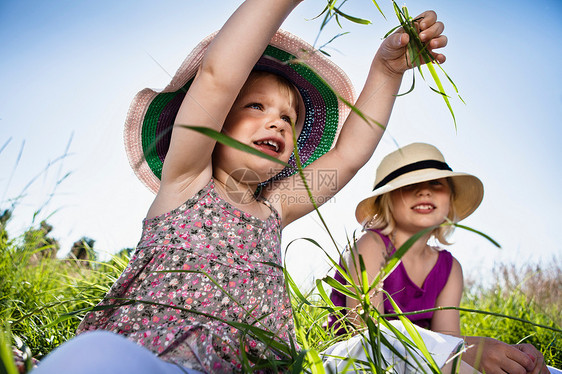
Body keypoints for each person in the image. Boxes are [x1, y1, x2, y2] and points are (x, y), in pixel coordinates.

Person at [31, 0, 452, 373]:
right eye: (255, 105)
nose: (276, 121)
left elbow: (348, 154)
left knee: (398, 349)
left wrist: (387, 70)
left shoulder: (277, 208)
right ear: (214, 123)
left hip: (250, 366)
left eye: (289, 119)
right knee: (91, 357)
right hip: (157, 359)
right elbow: (216, 77)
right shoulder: (186, 180)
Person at [328, 142, 556, 374]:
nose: (424, 191)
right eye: (411, 185)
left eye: (436, 183)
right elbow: (369, 334)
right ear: (387, 199)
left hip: (419, 364)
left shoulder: (449, 268)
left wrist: (509, 356)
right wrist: (472, 349)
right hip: (354, 360)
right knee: (393, 338)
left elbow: (447, 342)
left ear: (449, 199)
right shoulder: (371, 245)